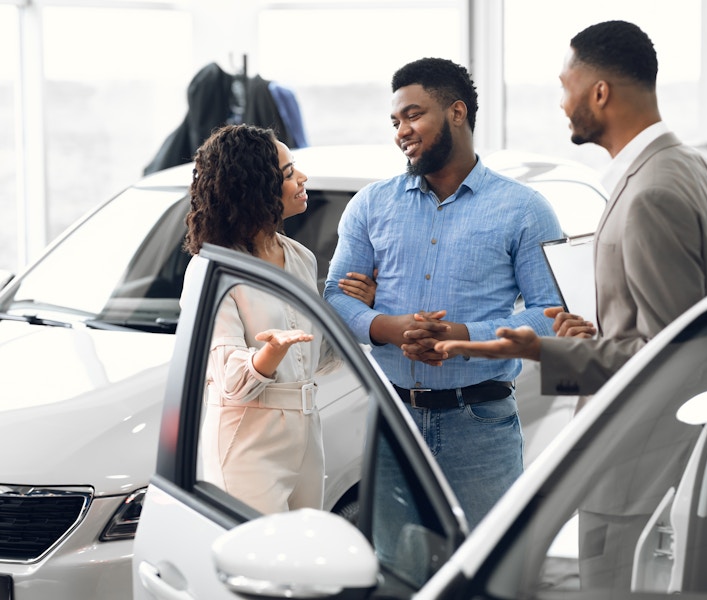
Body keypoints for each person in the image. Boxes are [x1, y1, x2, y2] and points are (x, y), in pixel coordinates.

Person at [436, 20, 707, 404]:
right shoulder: (705, 171)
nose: (562, 102)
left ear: (600, 93)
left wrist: (540, 350)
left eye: (566, 86)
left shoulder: (649, 195)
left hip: (648, 436)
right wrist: (592, 338)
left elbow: (669, 358)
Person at [323, 57, 564, 528]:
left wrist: (461, 335)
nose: (401, 131)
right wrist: (389, 328)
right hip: (393, 422)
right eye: (395, 121)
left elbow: (553, 313)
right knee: (399, 574)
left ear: (457, 112)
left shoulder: (524, 209)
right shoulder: (370, 205)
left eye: (413, 115)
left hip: (482, 423)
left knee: (482, 571)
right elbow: (335, 295)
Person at [182, 123, 374, 515]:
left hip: (306, 434)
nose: (302, 179)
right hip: (247, 441)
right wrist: (269, 353)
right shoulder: (213, 270)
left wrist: (362, 308)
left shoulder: (301, 257)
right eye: (287, 174)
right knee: (259, 564)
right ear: (254, 189)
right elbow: (231, 379)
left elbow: (317, 357)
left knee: (300, 560)